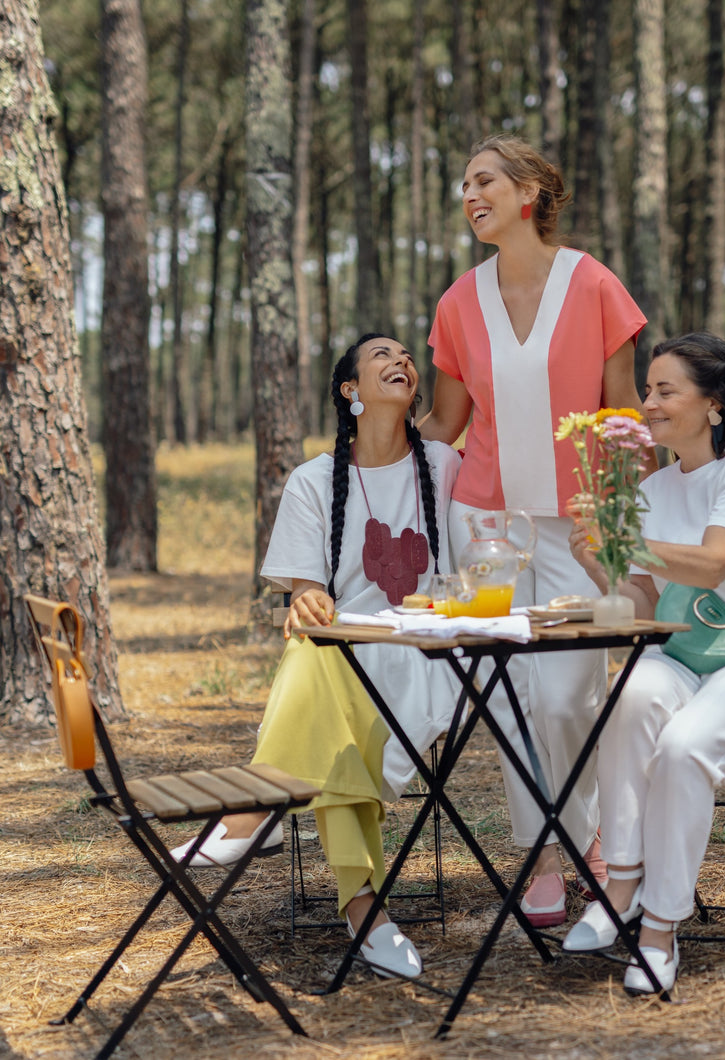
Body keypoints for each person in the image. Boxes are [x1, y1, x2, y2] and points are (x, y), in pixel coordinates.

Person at [171, 333, 462, 979]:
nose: (402, 360)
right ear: (350, 391)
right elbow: (307, 586)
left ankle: (261, 803)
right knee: (315, 655)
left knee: (316, 673)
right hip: (345, 654)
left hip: (427, 653)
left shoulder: (444, 466)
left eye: (407, 354)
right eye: (381, 354)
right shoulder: (313, 479)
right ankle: (363, 910)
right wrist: (307, 597)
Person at [418, 134, 650, 927]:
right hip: (485, 522)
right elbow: (446, 423)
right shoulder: (457, 302)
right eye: (463, 183)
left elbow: (623, 414)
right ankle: (547, 853)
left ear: (528, 194)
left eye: (482, 179)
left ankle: (579, 828)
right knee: (513, 697)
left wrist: (626, 523)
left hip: (579, 525)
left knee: (564, 695)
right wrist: (367, 448)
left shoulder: (593, 285)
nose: (469, 194)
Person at [561, 332, 725, 994]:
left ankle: (659, 929)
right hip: (687, 656)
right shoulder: (651, 486)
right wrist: (597, 558)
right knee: (630, 694)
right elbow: (640, 603)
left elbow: (712, 565)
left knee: (682, 748)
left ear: (713, 403)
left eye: (664, 390)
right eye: (647, 390)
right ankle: (621, 883)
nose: (647, 402)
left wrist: (627, 536)